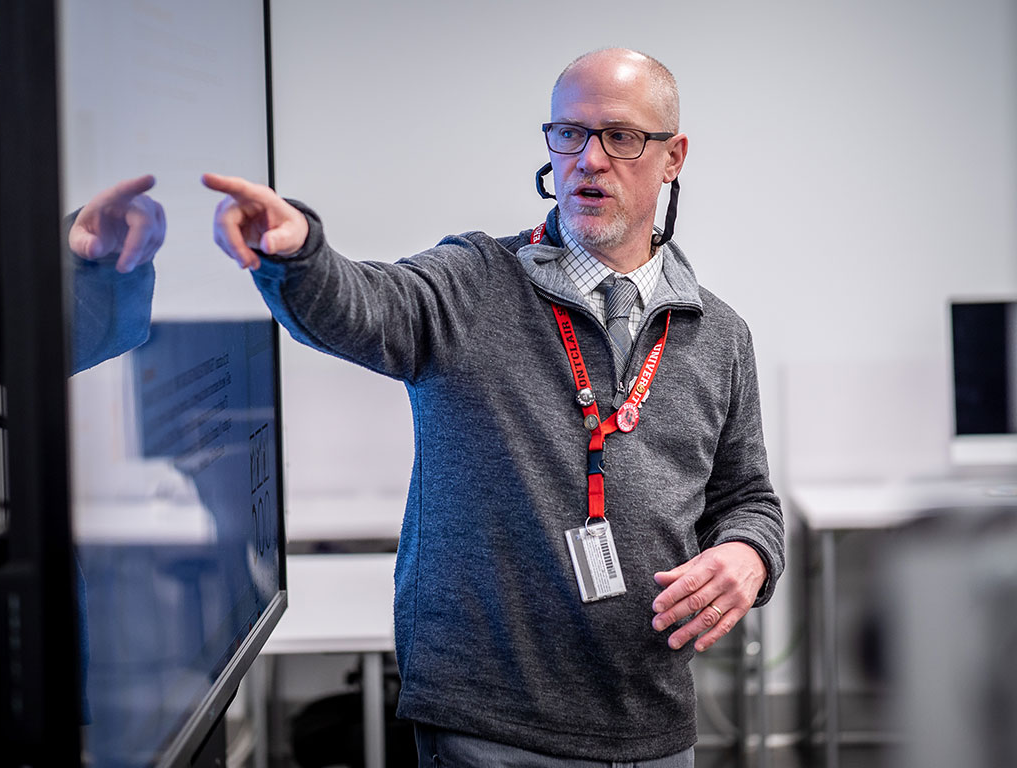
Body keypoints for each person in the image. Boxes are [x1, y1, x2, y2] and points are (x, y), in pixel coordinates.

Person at [204, 48, 784, 767]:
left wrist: (748, 554)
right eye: (568, 133)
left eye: (620, 136)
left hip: (651, 723)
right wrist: (298, 255)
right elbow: (365, 307)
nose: (589, 159)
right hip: (488, 728)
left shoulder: (718, 334)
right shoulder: (473, 282)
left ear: (674, 158)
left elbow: (748, 497)